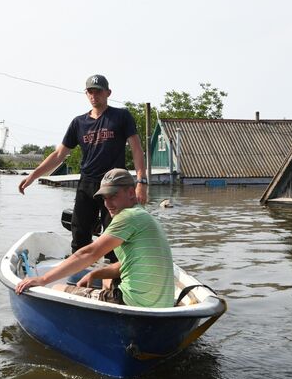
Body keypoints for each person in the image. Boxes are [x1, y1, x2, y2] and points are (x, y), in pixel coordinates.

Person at [18, 74, 148, 256]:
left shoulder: (121, 116)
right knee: (79, 234)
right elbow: (58, 155)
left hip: (114, 185)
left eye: (98, 91)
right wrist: (33, 176)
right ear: (86, 94)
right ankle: (79, 276)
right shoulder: (78, 123)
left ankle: (114, 280)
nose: (94, 95)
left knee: (114, 236)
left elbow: (136, 149)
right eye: (90, 92)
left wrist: (141, 182)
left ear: (108, 93)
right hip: (87, 184)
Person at [15, 169, 175, 308]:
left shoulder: (127, 216)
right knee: (106, 279)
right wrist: (95, 274)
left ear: (131, 193)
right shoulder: (144, 215)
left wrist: (43, 279)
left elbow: (89, 253)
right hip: (162, 305)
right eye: (104, 198)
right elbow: (129, 263)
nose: (108, 204)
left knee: (56, 288)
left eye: (113, 196)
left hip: (133, 303)